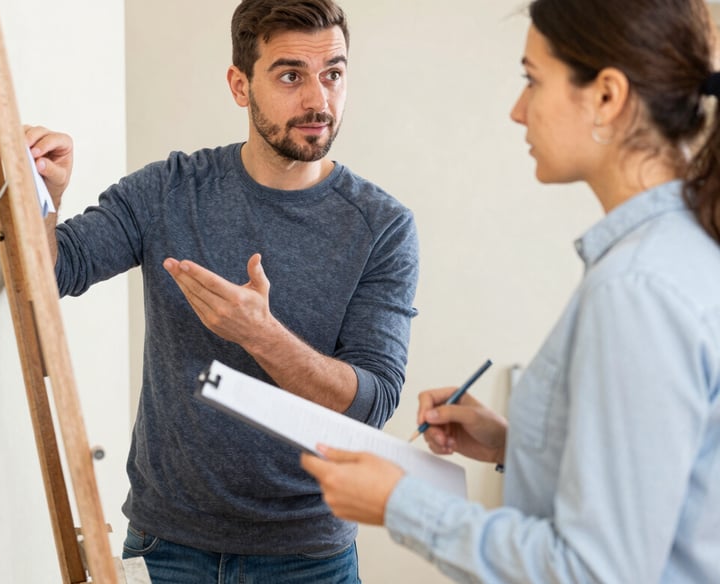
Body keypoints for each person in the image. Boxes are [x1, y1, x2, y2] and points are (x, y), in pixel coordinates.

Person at [302, 0, 720, 582]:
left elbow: (597, 571)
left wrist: (399, 502)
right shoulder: (679, 251)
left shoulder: (636, 288)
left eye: (532, 80)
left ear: (607, 96)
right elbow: (667, 478)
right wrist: (517, 444)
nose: (517, 111)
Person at [26, 0, 419, 581]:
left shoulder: (382, 226)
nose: (318, 100)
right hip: (168, 545)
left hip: (308, 555)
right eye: (291, 75)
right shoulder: (169, 190)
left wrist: (261, 337)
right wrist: (47, 198)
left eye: (333, 74)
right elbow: (57, 271)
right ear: (241, 85)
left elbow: (371, 403)